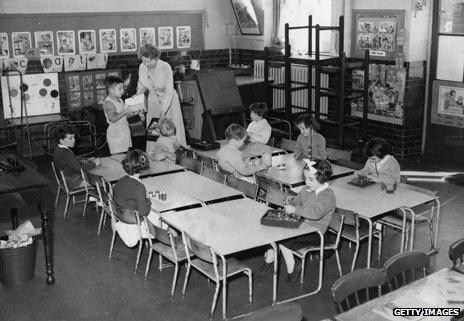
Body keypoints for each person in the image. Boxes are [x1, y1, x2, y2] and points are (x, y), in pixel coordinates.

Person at [262, 159, 336, 285]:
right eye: (305, 178)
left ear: (322, 179)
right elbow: (298, 200)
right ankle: (271, 256)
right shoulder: (306, 189)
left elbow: (315, 213)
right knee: (274, 229)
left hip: (316, 232)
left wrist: (295, 210)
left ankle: (292, 266)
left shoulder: (327, 196)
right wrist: (291, 203)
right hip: (302, 225)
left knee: (284, 237)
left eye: (310, 179)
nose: (307, 182)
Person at [112, 150, 176, 247]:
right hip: (135, 221)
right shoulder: (139, 187)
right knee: (169, 218)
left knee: (161, 206)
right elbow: (143, 213)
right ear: (143, 168)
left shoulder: (119, 182)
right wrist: (148, 200)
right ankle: (172, 241)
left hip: (123, 215)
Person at [137, 43, 187, 150]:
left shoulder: (165, 66)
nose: (145, 64)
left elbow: (169, 91)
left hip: (169, 102)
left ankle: (175, 154)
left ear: (156, 58)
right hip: (153, 101)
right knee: (153, 131)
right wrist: (138, 94)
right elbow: (142, 85)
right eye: (143, 61)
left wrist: (164, 110)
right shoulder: (142, 67)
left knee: (169, 128)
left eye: (148, 61)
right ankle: (153, 153)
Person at [53, 124, 101, 189]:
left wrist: (86, 159)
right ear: (61, 140)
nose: (74, 140)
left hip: (64, 179)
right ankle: (94, 197)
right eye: (70, 138)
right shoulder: (66, 153)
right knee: (98, 183)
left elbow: (71, 160)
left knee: (91, 175)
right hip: (73, 181)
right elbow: (80, 169)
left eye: (74, 137)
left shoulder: (58, 149)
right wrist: (94, 163)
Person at [103, 76, 133, 155]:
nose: (122, 91)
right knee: (117, 158)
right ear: (111, 90)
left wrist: (130, 113)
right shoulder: (108, 102)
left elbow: (122, 115)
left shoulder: (120, 99)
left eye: (123, 88)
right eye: (120, 88)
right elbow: (113, 118)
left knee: (123, 156)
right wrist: (124, 112)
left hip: (123, 131)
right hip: (115, 134)